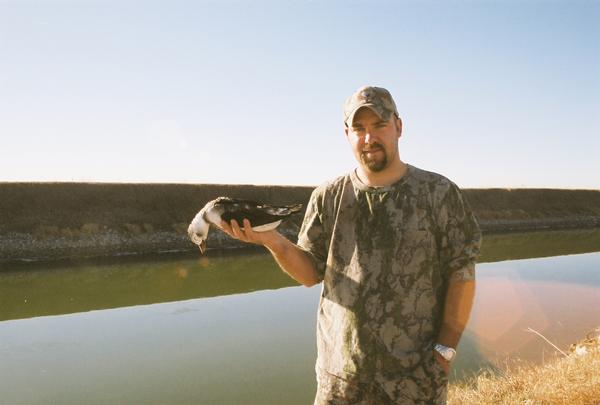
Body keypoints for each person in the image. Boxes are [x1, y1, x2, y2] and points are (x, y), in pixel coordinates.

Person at [219, 85, 482, 404]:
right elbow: (308, 274)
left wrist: (445, 350)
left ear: (399, 127)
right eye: (359, 128)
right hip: (340, 381)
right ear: (347, 133)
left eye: (379, 125)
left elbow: (461, 275)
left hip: (415, 381)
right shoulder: (328, 196)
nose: (369, 138)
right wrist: (271, 240)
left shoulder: (438, 193)